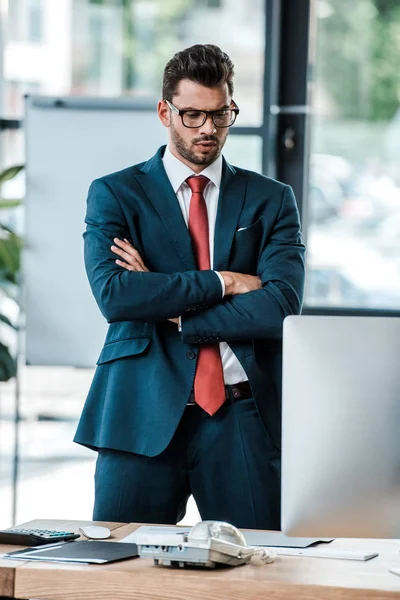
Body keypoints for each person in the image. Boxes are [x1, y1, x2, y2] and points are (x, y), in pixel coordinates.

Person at [74, 44, 305, 530]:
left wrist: (172, 306)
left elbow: (281, 305)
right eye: (193, 114)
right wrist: (225, 281)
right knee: (117, 567)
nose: (208, 129)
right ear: (165, 112)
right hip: (139, 409)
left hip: (242, 416)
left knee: (260, 568)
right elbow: (116, 296)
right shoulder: (117, 193)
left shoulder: (271, 200)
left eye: (220, 114)